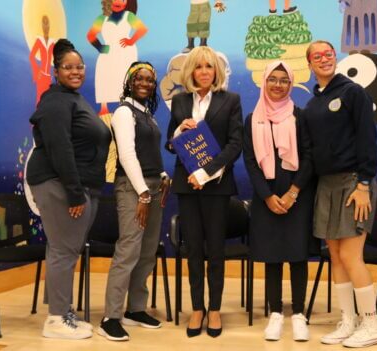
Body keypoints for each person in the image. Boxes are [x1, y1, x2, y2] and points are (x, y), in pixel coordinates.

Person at [26, 38, 111, 340]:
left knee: (63, 249)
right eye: (68, 67)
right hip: (58, 183)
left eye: (79, 66)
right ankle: (56, 319)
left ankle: (62, 312)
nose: (76, 71)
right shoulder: (55, 102)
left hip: (75, 184)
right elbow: (60, 148)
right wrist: (75, 193)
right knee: (64, 250)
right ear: (56, 70)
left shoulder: (72, 98)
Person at [303, 40, 377, 348]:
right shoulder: (312, 104)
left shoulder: (353, 92)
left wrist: (364, 184)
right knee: (336, 256)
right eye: (317, 56)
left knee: (351, 255)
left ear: (335, 58)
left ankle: (371, 323)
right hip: (327, 185)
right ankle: (348, 321)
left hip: (354, 184)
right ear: (309, 64)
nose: (324, 59)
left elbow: (367, 139)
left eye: (328, 54)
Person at [166, 46, 243, 338]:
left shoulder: (231, 100)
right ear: (191, 72)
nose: (204, 72)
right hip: (187, 186)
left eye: (209, 67)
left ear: (217, 71)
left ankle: (214, 310)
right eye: (198, 67)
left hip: (217, 186)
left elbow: (235, 144)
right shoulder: (180, 101)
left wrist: (206, 172)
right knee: (194, 249)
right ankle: (197, 308)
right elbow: (171, 145)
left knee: (216, 250)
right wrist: (178, 131)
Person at [242, 61, 314, 342]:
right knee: (272, 257)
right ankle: (275, 313)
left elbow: (309, 157)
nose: (278, 85)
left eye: (284, 80)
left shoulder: (301, 116)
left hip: (298, 194)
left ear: (291, 84)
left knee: (297, 255)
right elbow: (250, 162)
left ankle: (298, 314)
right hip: (266, 197)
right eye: (273, 79)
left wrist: (293, 192)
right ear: (264, 82)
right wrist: (268, 196)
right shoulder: (252, 119)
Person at [99, 62, 171, 341]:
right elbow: (127, 156)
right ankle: (110, 317)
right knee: (129, 249)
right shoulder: (123, 112)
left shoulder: (147, 114)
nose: (144, 83)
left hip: (152, 186)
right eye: (139, 78)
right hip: (133, 189)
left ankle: (136, 309)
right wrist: (142, 192)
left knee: (147, 251)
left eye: (149, 80)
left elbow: (147, 154)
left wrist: (162, 175)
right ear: (129, 82)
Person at [87, 0, 147, 117]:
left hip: (126, 53)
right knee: (105, 77)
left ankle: (127, 105)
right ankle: (104, 109)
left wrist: (131, 41)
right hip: (108, 54)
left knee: (126, 78)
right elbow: (90, 35)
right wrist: (100, 47)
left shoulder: (128, 16)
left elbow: (142, 29)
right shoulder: (102, 18)